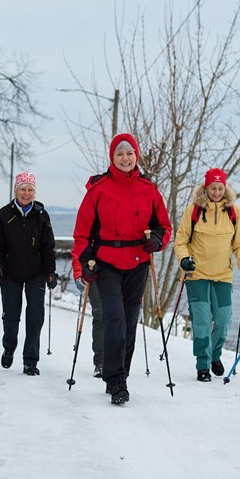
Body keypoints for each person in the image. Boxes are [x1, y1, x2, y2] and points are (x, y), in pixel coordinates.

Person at [71, 133, 172, 404]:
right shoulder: (99, 189)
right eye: (119, 154)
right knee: (113, 318)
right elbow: (81, 235)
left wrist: (157, 240)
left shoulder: (149, 189)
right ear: (112, 157)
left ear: (136, 156)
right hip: (106, 262)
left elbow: (164, 225)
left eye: (129, 153)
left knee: (129, 322)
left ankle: (121, 372)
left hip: (138, 262)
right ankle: (115, 380)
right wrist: (82, 265)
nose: (125, 158)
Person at [174, 168, 240, 382]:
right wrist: (184, 260)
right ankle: (202, 364)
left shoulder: (233, 211)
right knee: (201, 321)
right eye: (213, 188)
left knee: (223, 320)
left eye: (220, 188)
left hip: (223, 276)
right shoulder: (194, 210)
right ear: (205, 188)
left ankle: (215, 356)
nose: (217, 192)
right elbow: (180, 241)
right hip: (196, 274)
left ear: (225, 189)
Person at [0, 172, 57, 376]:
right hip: (10, 272)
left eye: (30, 190)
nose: (26, 193)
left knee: (35, 315)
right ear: (15, 191)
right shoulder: (4, 214)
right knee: (11, 316)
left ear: (34, 192)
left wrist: (50, 271)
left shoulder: (42, 216)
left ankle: (30, 361)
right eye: (23, 189)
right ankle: (9, 347)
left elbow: (48, 247)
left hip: (36, 273)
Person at [72, 262, 104, 377]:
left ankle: (117, 361)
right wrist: (78, 274)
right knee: (100, 315)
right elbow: (78, 251)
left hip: (117, 272)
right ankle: (100, 362)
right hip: (92, 273)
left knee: (117, 317)